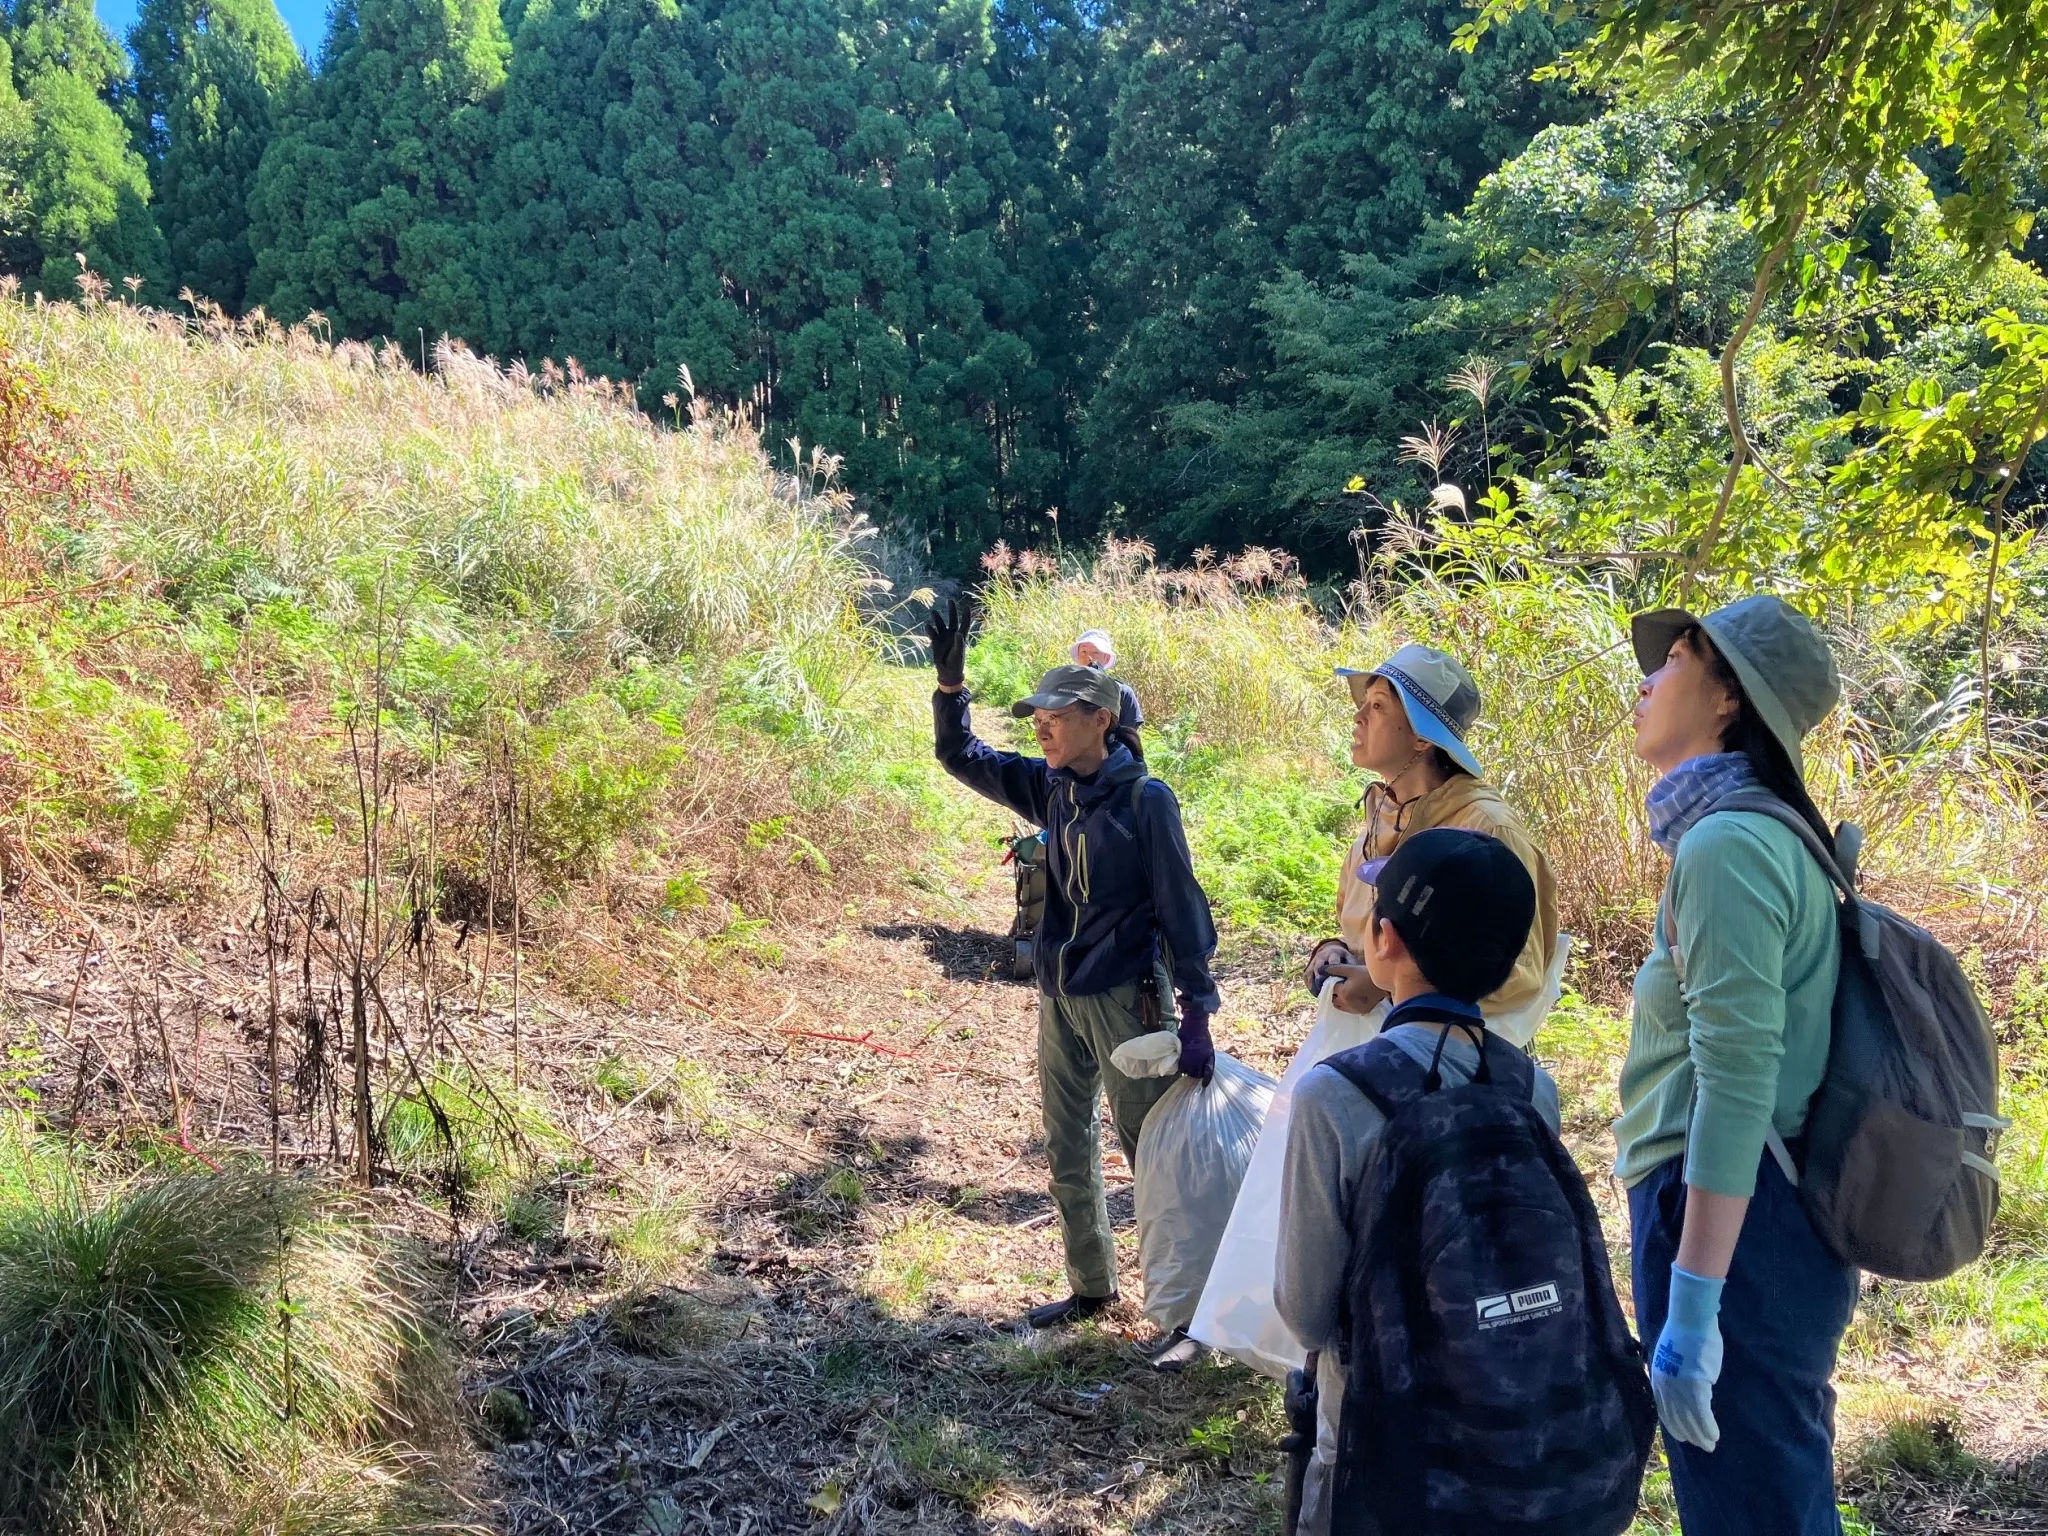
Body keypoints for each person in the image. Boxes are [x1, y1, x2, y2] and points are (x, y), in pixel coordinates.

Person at [1618, 595, 1854, 1535]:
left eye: (1675, 659)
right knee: (1771, 1498)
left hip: (1727, 1221)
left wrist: (1695, 1305)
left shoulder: (1729, 846)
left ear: (1729, 699)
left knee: (1753, 1509)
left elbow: (1737, 1081)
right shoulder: (1756, 833)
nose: (1647, 681)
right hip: (1754, 1217)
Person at [926, 599, 1222, 1331]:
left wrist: (1197, 1010)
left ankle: (1185, 1312)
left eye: (1057, 715)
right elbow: (962, 757)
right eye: (1038, 716)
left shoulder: (1146, 801)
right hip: (1060, 996)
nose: (1042, 726)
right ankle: (1092, 1288)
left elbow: (1182, 907)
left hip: (1128, 1000)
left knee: (1151, 1155)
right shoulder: (1054, 787)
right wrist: (951, 688)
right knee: (1066, 1144)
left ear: (1102, 721)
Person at [1275, 827, 1560, 1536]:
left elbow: (1307, 1313)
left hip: (1370, 1437)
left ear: (1386, 940)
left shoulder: (1335, 1094)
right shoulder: (1533, 1089)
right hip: (1504, 1426)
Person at [1307, 645, 1559, 1030]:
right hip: (1372, 1049)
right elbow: (1364, 932)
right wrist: (1334, 951)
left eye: (1378, 706)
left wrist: (1389, 987)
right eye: (1364, 703)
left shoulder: (1487, 830)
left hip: (1449, 1056)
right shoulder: (1380, 817)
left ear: (1423, 739)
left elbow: (1519, 973)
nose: (1358, 716)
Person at [1071, 628, 1145, 764]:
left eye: (1096, 652)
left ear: (1106, 658)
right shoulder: (1067, 690)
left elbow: (1129, 739)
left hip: (1114, 765)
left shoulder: (1122, 692)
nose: (1089, 657)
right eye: (1084, 652)